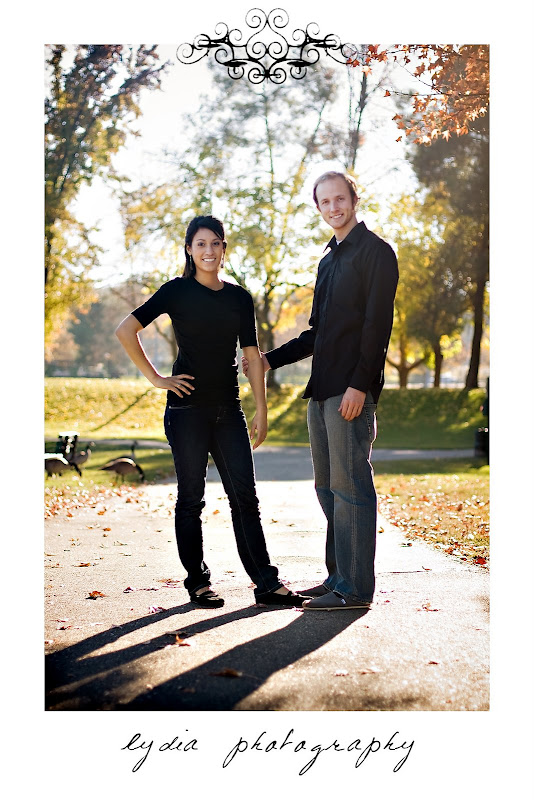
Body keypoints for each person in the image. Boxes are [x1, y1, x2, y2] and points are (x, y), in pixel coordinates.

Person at [115, 215, 307, 609]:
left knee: (245, 498)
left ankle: (266, 585)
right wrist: (156, 379)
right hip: (186, 410)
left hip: (229, 409)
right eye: (200, 244)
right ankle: (198, 584)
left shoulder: (239, 297)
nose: (208, 251)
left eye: (215, 244)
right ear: (189, 249)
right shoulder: (176, 292)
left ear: (223, 249)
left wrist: (262, 409)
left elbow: (251, 355)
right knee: (191, 499)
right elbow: (125, 330)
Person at [243, 172, 398, 610]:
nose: (333, 207)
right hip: (321, 388)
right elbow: (319, 333)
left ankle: (354, 589)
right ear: (319, 208)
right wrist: (268, 360)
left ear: (354, 198)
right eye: (325, 202)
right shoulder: (328, 260)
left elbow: (377, 327)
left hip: (350, 389)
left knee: (352, 487)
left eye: (340, 199)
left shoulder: (377, 253)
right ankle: (338, 578)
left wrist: (358, 385)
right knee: (328, 487)